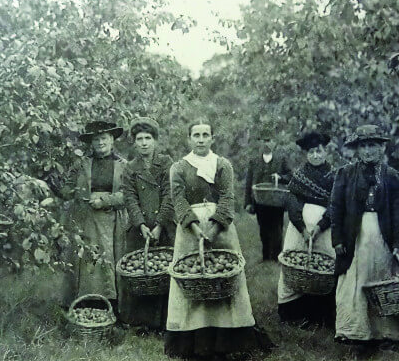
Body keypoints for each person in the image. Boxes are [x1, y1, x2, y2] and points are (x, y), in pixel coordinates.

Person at [165, 120, 272, 359]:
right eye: (196, 135)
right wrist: (194, 227)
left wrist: (213, 228)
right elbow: (178, 200)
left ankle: (228, 338)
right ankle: (194, 339)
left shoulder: (222, 165)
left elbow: (227, 197)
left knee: (223, 277)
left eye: (205, 135)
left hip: (220, 229)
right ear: (189, 139)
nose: (201, 139)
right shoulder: (179, 167)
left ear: (213, 138)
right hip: (189, 229)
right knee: (193, 276)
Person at [330, 124, 399, 344]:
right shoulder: (346, 174)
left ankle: (388, 332)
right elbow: (336, 208)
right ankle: (354, 331)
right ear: (357, 149)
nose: (368, 151)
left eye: (373, 146)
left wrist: (398, 241)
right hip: (355, 235)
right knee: (354, 279)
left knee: (384, 279)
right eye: (364, 146)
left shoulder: (392, 177)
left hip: (382, 236)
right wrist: (338, 239)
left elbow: (398, 213)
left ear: (381, 148)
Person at [46, 120, 127, 311]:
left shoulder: (123, 165)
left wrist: (106, 201)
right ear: (91, 143)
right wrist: (54, 184)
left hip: (112, 220)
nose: (100, 143)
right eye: (96, 139)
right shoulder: (81, 165)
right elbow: (68, 190)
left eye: (104, 138)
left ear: (112, 140)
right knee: (86, 260)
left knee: (108, 259)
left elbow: (128, 194)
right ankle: (84, 304)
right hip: (85, 218)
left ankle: (111, 306)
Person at [119, 117, 174, 330]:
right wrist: (141, 224)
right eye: (139, 139)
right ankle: (141, 322)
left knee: (164, 272)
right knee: (140, 274)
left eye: (148, 138)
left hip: (165, 225)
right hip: (139, 229)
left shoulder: (166, 163)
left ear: (155, 141)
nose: (143, 143)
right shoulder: (130, 168)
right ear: (134, 142)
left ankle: (165, 322)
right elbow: (130, 198)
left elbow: (170, 195)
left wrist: (159, 224)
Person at [277, 131, 336, 325]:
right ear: (306, 154)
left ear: (325, 152)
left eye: (319, 151)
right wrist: (302, 228)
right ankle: (294, 313)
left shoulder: (334, 176)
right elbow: (293, 203)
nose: (316, 156)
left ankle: (322, 316)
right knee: (298, 266)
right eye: (311, 152)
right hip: (299, 230)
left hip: (325, 231)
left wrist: (320, 226)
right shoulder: (300, 176)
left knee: (323, 268)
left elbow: (335, 205)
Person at [244, 129, 291, 261]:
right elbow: (248, 182)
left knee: (276, 228)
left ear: (274, 143)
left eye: (269, 140)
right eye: (263, 141)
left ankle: (276, 257)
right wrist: (248, 202)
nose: (266, 144)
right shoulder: (254, 161)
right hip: (260, 201)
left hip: (277, 201)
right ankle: (266, 257)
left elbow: (291, 176)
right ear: (259, 143)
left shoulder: (281, 159)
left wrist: (280, 177)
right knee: (263, 228)